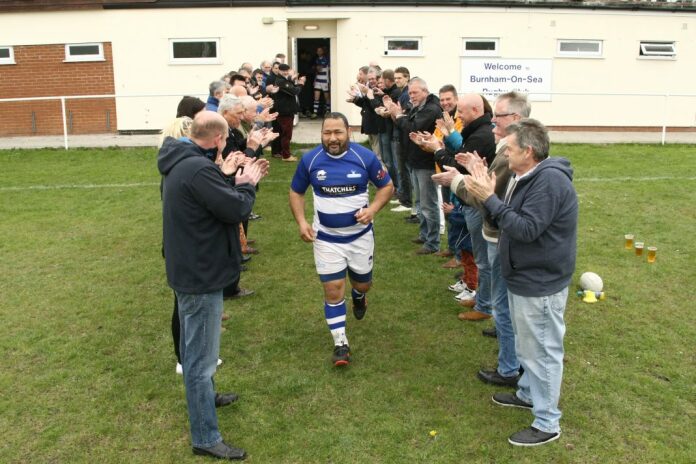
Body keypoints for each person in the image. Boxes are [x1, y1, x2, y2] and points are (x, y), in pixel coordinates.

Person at [437, 118, 578, 446]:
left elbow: (525, 228)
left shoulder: (549, 183)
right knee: (529, 347)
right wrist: (482, 184)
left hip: (539, 281)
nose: (504, 153)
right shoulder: (526, 176)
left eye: (509, 149)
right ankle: (528, 394)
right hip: (525, 275)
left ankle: (547, 422)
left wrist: (489, 197)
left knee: (542, 351)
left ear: (528, 152)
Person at [158, 111, 269, 460]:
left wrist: (226, 178)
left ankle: (206, 398)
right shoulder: (196, 168)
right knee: (200, 360)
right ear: (219, 139)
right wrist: (247, 182)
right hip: (199, 275)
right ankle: (205, 436)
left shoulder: (182, 161)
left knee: (197, 355)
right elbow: (235, 209)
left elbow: (211, 201)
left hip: (190, 268)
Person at [288, 112, 394, 366]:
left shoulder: (364, 156)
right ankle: (340, 343)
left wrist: (373, 210)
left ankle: (359, 295)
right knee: (333, 289)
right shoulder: (311, 159)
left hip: (359, 238)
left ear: (349, 132)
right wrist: (302, 222)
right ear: (321, 134)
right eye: (327, 133)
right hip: (326, 239)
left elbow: (387, 186)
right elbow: (296, 192)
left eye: (338, 132)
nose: (332, 138)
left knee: (363, 284)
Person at [452, 92, 530, 387]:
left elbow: (488, 198)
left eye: (499, 115)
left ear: (517, 120)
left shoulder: (516, 156)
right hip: (499, 233)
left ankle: (509, 368)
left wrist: (459, 179)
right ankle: (511, 357)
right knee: (504, 303)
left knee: (503, 304)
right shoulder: (509, 150)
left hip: (501, 237)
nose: (493, 119)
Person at [384, 77, 442, 254]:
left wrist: (399, 115)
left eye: (415, 92)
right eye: (410, 93)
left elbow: (412, 127)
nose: (412, 96)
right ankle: (425, 235)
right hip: (415, 159)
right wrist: (397, 114)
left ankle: (432, 243)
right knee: (420, 201)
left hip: (426, 162)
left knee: (428, 203)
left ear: (425, 91)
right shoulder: (420, 106)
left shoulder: (431, 109)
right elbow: (406, 125)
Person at [270, 64, 305, 161]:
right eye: (283, 70)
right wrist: (301, 83)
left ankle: (283, 152)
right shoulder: (281, 81)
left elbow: (291, 87)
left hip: (286, 110)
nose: (285, 72)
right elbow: (294, 91)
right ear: (279, 71)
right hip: (285, 111)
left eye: (287, 70)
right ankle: (286, 156)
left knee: (283, 133)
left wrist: (293, 80)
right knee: (287, 134)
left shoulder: (284, 80)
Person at [310, 46, 330, 118]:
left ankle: (328, 111)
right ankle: (315, 113)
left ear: (323, 51)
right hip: (318, 80)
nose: (319, 52)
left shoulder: (327, 59)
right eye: (317, 51)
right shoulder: (317, 59)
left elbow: (321, 68)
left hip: (325, 80)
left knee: (327, 97)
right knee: (316, 97)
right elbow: (317, 70)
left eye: (320, 51)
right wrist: (315, 80)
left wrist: (329, 81)